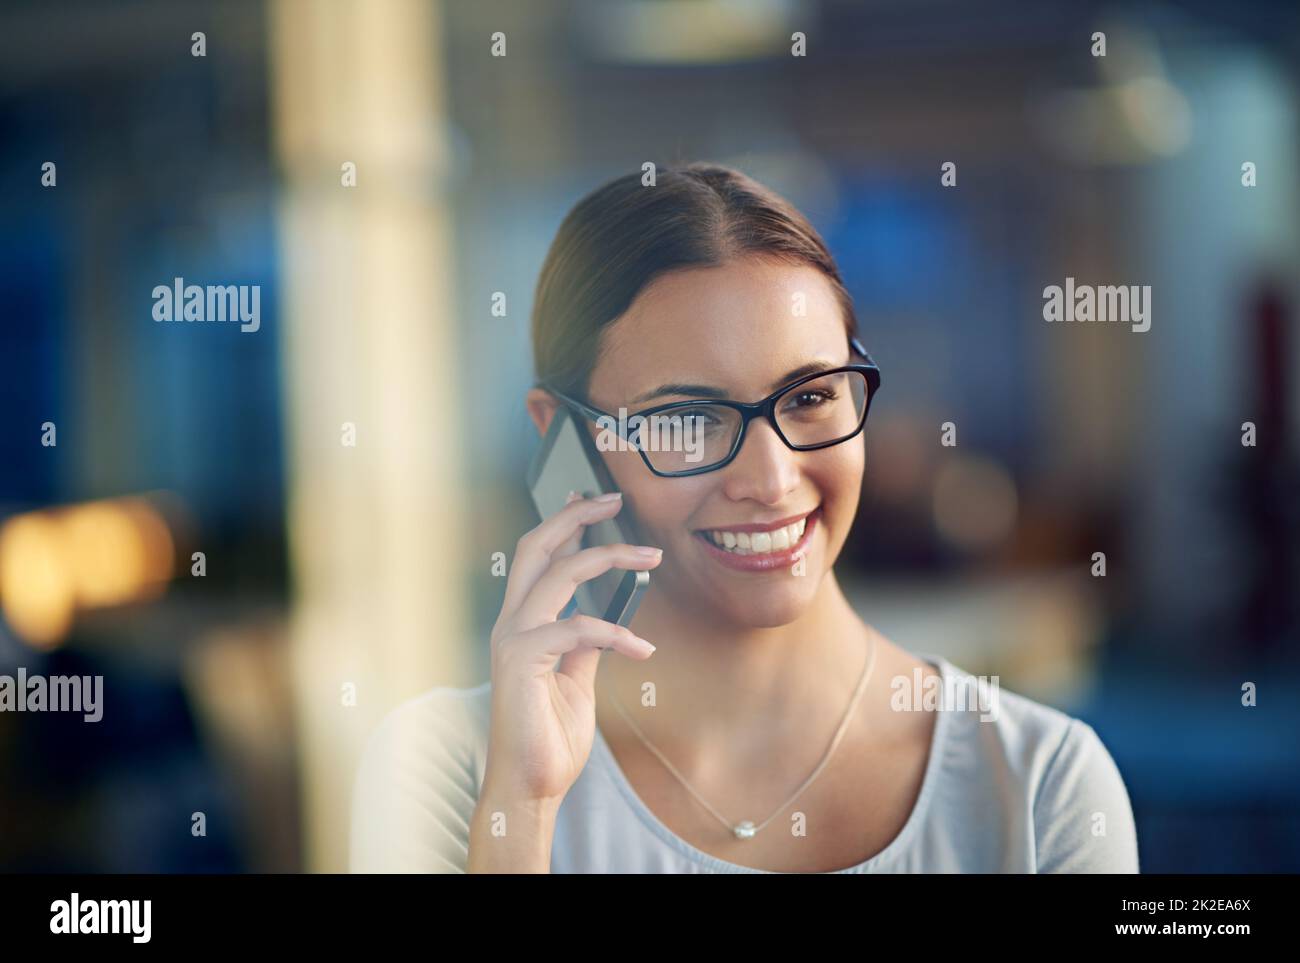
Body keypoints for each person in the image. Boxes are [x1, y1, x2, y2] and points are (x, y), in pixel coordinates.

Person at [349, 163, 1139, 874]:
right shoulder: (451, 768)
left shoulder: (1040, 784)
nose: (770, 477)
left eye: (810, 396)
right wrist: (520, 814)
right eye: (688, 418)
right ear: (564, 437)